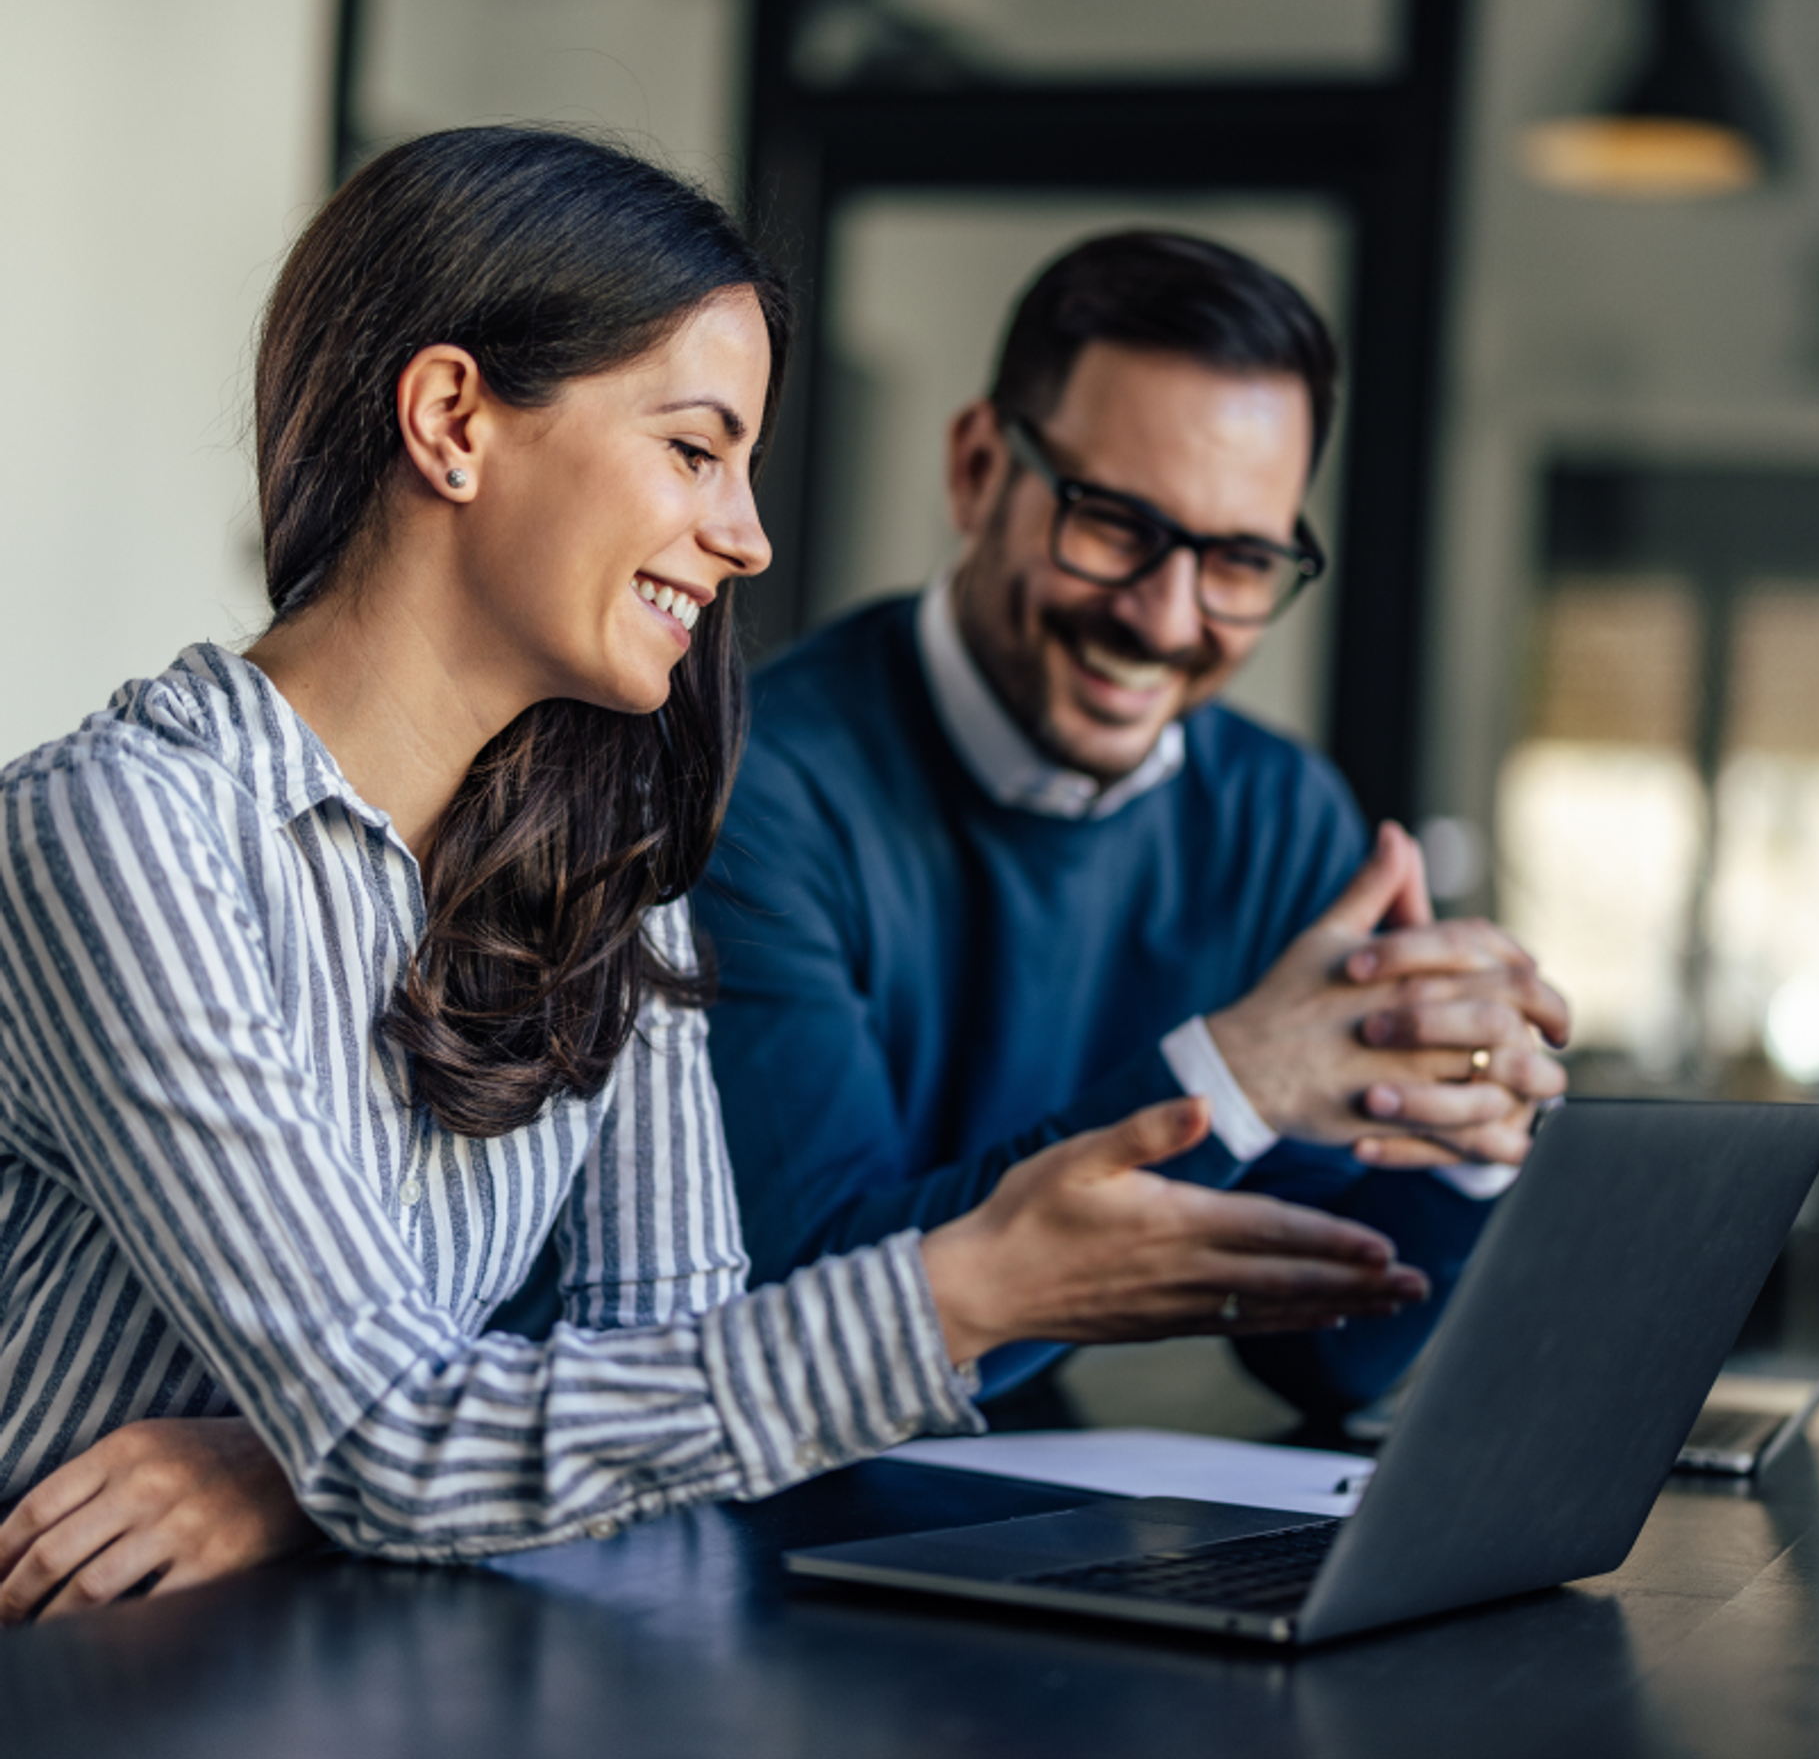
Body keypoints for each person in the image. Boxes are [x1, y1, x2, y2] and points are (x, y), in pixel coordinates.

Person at [0, 131, 1430, 1625]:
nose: (745, 537)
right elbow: (396, 1438)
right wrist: (967, 1290)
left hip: (355, 1668)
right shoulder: (119, 836)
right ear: (452, 422)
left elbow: (674, 1361)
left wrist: (310, 1464)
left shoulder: (604, 849)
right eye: (695, 450)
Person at [695, 231, 1570, 1419]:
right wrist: (1232, 1085)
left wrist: (1468, 1132)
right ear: (976, 468)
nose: (1167, 618)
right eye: (1114, 525)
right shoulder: (751, 782)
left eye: (1241, 560)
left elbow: (1319, 1355)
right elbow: (802, 1305)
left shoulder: (1278, 814)